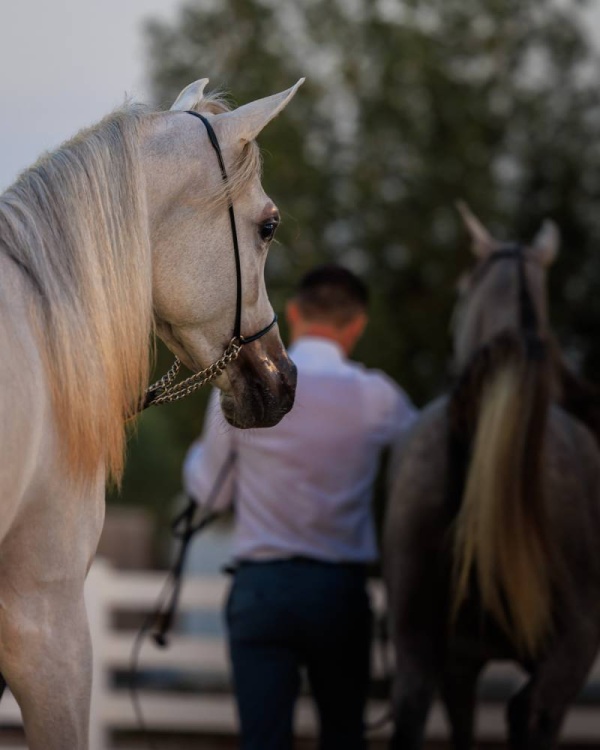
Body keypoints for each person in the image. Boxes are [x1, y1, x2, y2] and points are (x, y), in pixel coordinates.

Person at [183, 264, 417, 750]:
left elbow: (211, 495)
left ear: (291, 314)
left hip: (262, 590)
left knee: (263, 741)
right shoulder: (379, 398)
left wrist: (193, 460)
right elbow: (423, 471)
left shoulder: (246, 386)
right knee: (343, 735)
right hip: (339, 591)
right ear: (357, 325)